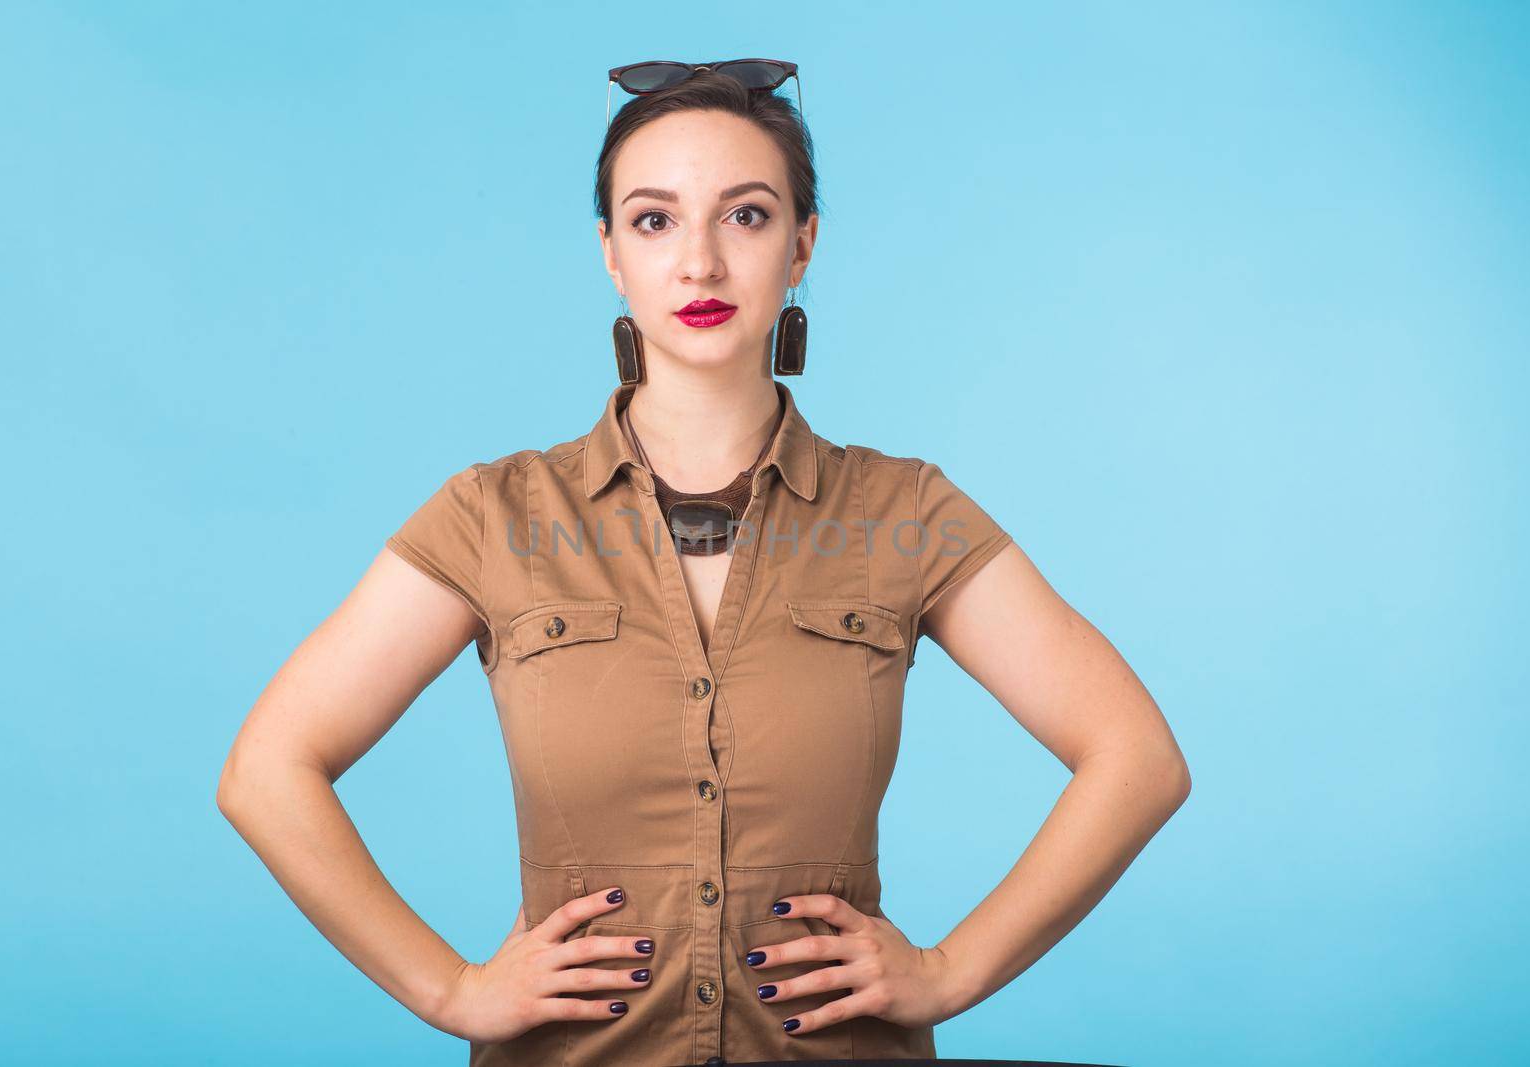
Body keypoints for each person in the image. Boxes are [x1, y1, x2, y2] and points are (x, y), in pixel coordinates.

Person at [217, 60, 1191, 1067]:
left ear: (803, 243)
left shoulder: (904, 513)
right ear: (608, 253)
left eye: (746, 216)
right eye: (652, 220)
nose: (699, 264)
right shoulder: (494, 516)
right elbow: (268, 769)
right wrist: (448, 987)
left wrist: (949, 969)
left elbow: (1136, 756)